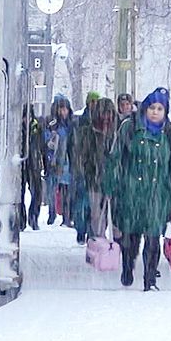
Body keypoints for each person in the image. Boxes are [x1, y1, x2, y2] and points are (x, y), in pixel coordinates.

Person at [104, 88, 171, 291]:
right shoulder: (129, 128)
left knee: (153, 237)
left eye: (160, 109)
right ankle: (127, 267)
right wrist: (111, 184)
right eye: (152, 108)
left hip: (158, 193)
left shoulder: (170, 133)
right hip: (131, 191)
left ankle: (150, 279)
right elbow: (116, 159)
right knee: (130, 236)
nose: (155, 112)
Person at [73, 98, 117, 244]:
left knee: (114, 213)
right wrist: (86, 171)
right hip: (94, 179)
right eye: (103, 113)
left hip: (114, 179)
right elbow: (82, 155)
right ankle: (97, 239)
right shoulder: (89, 133)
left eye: (108, 113)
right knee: (96, 213)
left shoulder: (117, 133)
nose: (106, 117)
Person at [70, 92, 102, 239]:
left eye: (96, 101)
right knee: (82, 201)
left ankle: (90, 230)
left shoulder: (100, 122)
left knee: (93, 204)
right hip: (82, 166)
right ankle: (81, 228)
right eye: (92, 101)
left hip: (94, 168)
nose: (94, 104)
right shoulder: (80, 121)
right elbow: (73, 145)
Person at [44, 95, 75, 226]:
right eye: (61, 109)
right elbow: (46, 141)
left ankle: (66, 216)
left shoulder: (71, 124)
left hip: (68, 161)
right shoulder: (52, 124)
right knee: (53, 190)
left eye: (65, 109)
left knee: (66, 191)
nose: (64, 112)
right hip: (55, 161)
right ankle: (52, 214)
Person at [20, 104, 45, 231]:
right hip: (21, 165)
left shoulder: (37, 128)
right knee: (20, 193)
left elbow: (43, 146)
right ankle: (21, 220)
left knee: (37, 192)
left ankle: (33, 217)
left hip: (34, 164)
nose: (26, 119)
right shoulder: (18, 128)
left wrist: (44, 164)